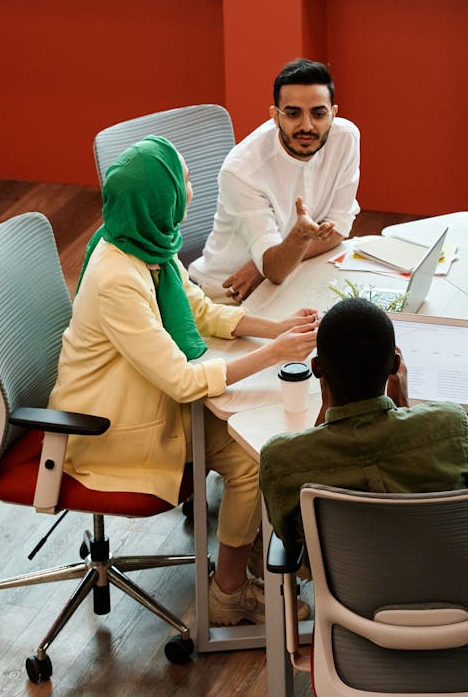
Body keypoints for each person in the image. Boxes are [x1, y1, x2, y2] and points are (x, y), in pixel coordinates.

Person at [48, 135, 320, 626]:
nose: (193, 187)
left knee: (258, 449)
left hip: (143, 401)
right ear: (163, 198)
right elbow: (182, 382)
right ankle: (229, 593)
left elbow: (199, 309)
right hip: (107, 429)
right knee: (252, 461)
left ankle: (248, 564)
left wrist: (273, 329)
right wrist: (275, 356)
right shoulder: (118, 280)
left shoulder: (142, 240)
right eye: (185, 180)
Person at [259, 297, 468, 550]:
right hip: (446, 583)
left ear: (317, 369)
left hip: (345, 588)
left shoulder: (281, 461)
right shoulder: (449, 425)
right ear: (395, 365)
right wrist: (405, 409)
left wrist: (324, 411)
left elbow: (290, 540)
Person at [189, 58, 360, 302]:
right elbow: (276, 270)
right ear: (275, 117)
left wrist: (264, 265)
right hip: (228, 293)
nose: (307, 126)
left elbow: (339, 228)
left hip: (290, 275)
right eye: (293, 114)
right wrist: (294, 243)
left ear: (333, 114)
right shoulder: (241, 170)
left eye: (318, 113)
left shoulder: (346, 138)